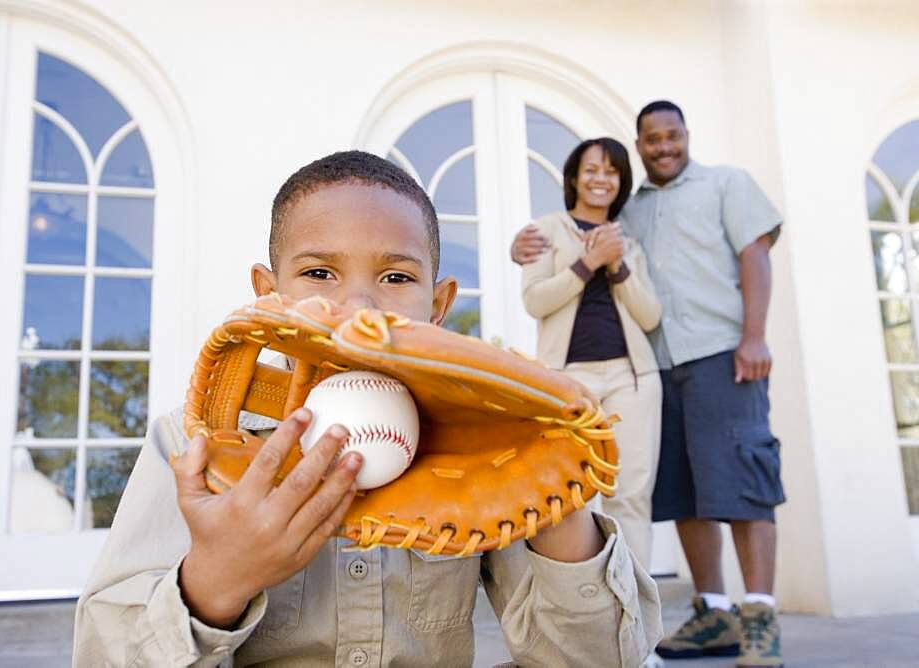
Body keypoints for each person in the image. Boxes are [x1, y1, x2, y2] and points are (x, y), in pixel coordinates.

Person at [73, 151, 662, 666]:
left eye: (396, 276)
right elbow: (101, 656)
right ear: (267, 293)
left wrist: (558, 508)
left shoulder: (489, 443)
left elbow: (599, 661)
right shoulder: (198, 441)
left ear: (439, 305)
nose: (357, 304)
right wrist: (214, 582)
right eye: (318, 272)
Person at [511, 102, 786, 668]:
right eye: (651, 139)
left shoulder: (723, 185)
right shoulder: (615, 217)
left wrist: (754, 335)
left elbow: (746, 259)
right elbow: (544, 284)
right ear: (639, 147)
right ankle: (711, 613)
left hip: (712, 354)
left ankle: (753, 617)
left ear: (685, 136)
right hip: (649, 368)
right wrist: (542, 251)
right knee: (684, 488)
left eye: (672, 136)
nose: (664, 146)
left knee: (737, 476)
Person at [520, 137, 662, 572]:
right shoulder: (544, 231)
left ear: (621, 183)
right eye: (592, 169)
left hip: (630, 378)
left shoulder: (629, 244)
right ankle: (585, 613)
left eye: (612, 171)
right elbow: (535, 301)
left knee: (631, 497)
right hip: (567, 379)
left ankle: (637, 630)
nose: (601, 179)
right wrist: (587, 262)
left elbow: (650, 315)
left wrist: (615, 264)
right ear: (574, 178)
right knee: (569, 494)